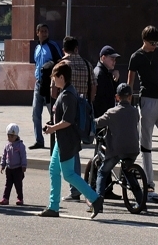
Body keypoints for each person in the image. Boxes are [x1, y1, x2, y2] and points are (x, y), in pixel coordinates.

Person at [40, 62, 104, 219]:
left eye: (54, 78)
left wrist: (52, 129)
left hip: (67, 140)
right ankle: (53, 206)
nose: (53, 81)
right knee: (54, 170)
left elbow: (67, 121)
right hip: (62, 139)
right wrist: (53, 126)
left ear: (62, 77)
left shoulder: (68, 95)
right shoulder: (67, 92)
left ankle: (95, 199)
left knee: (68, 174)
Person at [127, 25, 158, 196]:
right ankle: (149, 183)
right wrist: (128, 103)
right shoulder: (136, 57)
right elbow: (130, 83)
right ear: (144, 41)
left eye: (156, 42)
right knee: (146, 145)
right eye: (151, 43)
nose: (154, 45)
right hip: (146, 101)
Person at [58, 36, 94, 201]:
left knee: (71, 150)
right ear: (77, 48)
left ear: (64, 49)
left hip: (67, 111)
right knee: (77, 147)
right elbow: (94, 87)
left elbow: (54, 91)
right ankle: (81, 188)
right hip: (84, 111)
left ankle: (76, 189)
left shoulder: (62, 65)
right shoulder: (87, 64)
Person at [93, 82, 140, 199]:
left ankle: (98, 201)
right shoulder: (135, 112)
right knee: (128, 172)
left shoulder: (112, 112)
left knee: (102, 172)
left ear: (117, 97)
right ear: (130, 97)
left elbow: (98, 123)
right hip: (133, 149)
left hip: (116, 150)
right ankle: (140, 200)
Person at [31, 24, 62, 149]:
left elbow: (60, 62)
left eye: (46, 31)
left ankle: (60, 138)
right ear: (37, 32)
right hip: (38, 83)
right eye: (42, 31)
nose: (44, 34)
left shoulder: (52, 46)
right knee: (35, 113)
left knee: (53, 112)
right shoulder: (37, 48)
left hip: (50, 85)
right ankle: (39, 140)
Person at [0, 123, 27, 206]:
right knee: (8, 184)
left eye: (12, 136)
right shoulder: (7, 145)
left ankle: (20, 198)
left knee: (18, 184)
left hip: (18, 168)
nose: (10, 138)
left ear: (16, 136)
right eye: (8, 136)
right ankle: (5, 198)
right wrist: (2, 165)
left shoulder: (20, 146)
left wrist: (24, 165)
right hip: (9, 168)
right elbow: (4, 155)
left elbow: (23, 156)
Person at [92, 45, 120, 118]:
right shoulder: (100, 74)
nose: (114, 62)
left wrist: (115, 81)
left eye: (115, 59)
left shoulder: (105, 73)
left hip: (104, 115)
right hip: (101, 116)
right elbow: (100, 98)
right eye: (112, 59)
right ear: (103, 58)